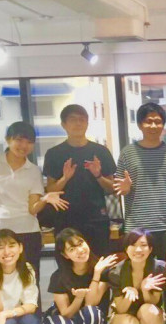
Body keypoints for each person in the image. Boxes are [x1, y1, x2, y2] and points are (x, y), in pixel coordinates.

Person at [114, 103, 166, 324]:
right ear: (140, 124)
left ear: (163, 124)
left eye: (158, 121)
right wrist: (125, 189)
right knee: (136, 276)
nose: (153, 125)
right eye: (148, 121)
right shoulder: (127, 153)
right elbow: (120, 186)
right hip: (137, 226)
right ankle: (139, 323)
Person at [0, 121, 68, 291]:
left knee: (29, 283)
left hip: (27, 232)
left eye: (29, 142)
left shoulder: (33, 170)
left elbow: (33, 209)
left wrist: (46, 199)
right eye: (19, 140)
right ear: (8, 140)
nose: (23, 146)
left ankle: (31, 310)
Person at [41, 104, 117, 257]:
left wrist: (98, 175)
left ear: (87, 123)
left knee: (99, 263)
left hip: (96, 219)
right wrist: (65, 178)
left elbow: (112, 188)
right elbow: (51, 191)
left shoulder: (101, 151)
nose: (78, 123)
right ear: (64, 124)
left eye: (82, 119)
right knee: (68, 264)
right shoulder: (54, 153)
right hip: (65, 220)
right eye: (73, 119)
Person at [43, 228, 117, 324]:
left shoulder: (100, 269)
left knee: (92, 313)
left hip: (86, 320)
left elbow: (91, 303)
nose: (80, 250)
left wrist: (96, 273)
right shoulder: (59, 276)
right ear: (65, 255)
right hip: (63, 321)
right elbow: (66, 314)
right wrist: (78, 298)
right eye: (72, 249)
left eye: (81, 243)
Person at [106, 229, 166, 324]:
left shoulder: (159, 268)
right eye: (133, 245)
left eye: (143, 245)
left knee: (149, 310)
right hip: (125, 316)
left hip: (148, 318)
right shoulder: (116, 272)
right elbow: (121, 309)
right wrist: (130, 294)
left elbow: (155, 302)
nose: (138, 250)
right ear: (126, 248)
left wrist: (145, 290)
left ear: (150, 249)